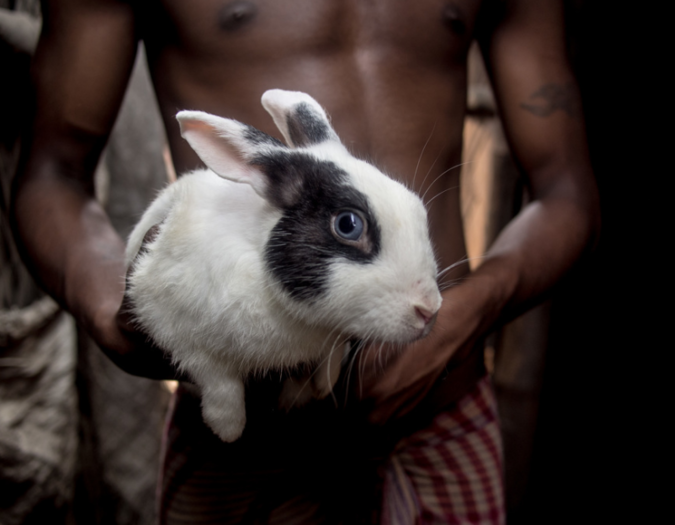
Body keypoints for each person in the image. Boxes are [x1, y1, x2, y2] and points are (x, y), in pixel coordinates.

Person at [12, 0, 600, 523]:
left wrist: (465, 316)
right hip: (241, 439)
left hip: (439, 414)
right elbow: (52, 173)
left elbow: (565, 190)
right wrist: (115, 316)